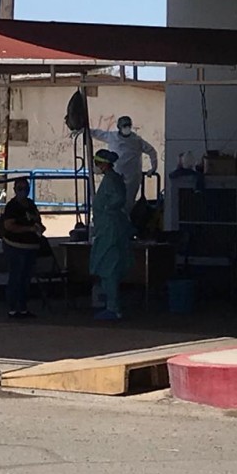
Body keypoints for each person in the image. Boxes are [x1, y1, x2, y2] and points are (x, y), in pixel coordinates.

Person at [89, 149, 134, 321]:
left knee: (109, 268)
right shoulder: (111, 179)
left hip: (110, 230)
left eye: (97, 163)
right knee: (107, 267)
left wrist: (107, 210)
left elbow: (118, 199)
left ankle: (113, 307)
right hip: (107, 228)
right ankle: (111, 305)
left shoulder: (112, 180)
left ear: (103, 164)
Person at [0, 178, 45, 319]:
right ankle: (13, 308)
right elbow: (9, 226)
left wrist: (38, 228)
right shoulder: (12, 206)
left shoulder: (31, 205)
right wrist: (29, 229)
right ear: (14, 190)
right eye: (20, 189)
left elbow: (37, 220)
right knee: (16, 277)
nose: (23, 192)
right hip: (15, 246)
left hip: (31, 247)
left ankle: (23, 308)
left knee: (26, 279)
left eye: (26, 188)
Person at [91, 115, 158, 209]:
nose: (127, 128)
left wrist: (153, 168)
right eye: (124, 126)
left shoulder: (137, 140)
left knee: (128, 204)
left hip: (132, 178)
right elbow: (97, 133)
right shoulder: (112, 137)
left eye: (128, 126)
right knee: (113, 203)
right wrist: (84, 130)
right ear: (119, 127)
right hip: (115, 176)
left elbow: (151, 151)